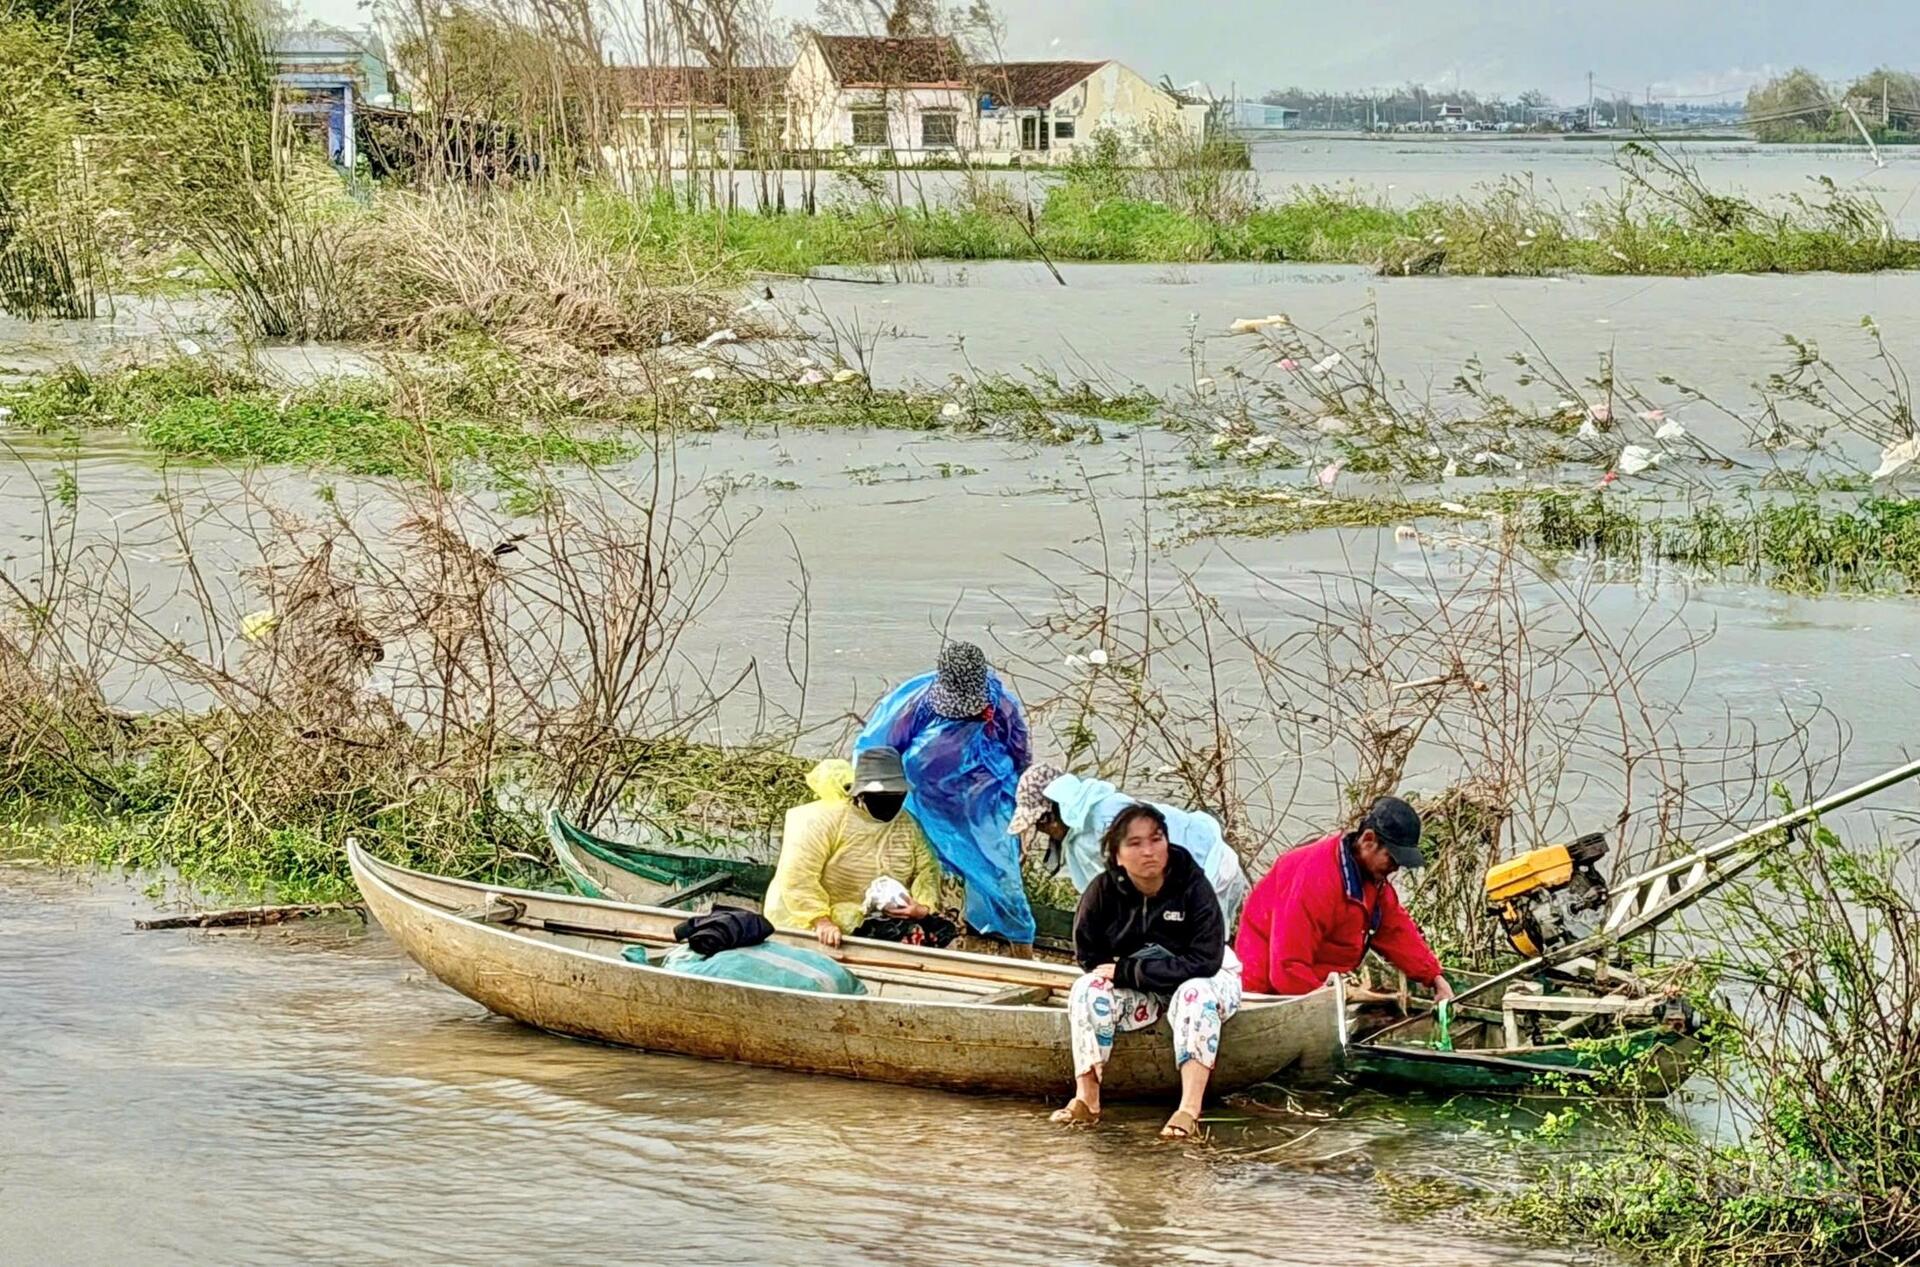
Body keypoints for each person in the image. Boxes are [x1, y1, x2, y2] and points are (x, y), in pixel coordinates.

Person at [1050, 804, 1242, 1139]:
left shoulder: (1192, 885)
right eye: (1135, 844)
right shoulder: (1103, 891)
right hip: (1143, 990)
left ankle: (1188, 1110)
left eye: (1156, 839)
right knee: (1086, 988)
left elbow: (1206, 960)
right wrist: (1130, 976)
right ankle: (1087, 1100)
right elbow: (1090, 956)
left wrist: (1132, 972)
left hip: (1208, 980)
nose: (1149, 851)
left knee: (1193, 995)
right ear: (1118, 855)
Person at [856, 641, 1034, 946]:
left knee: (1002, 878)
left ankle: (1016, 944)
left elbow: (1019, 754)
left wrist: (1023, 802)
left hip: (985, 803)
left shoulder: (1000, 706)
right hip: (930, 805)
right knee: (937, 872)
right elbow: (878, 752)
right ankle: (951, 934)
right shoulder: (915, 705)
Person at [1234, 795, 1454, 1002]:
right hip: (1267, 989)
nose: (1395, 867)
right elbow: (1287, 968)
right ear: (1368, 840)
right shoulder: (1315, 879)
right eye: (1392, 858)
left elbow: (1395, 931)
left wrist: (1434, 977)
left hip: (1324, 985)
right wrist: (1336, 999)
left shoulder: (1373, 882)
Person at [1006, 763, 1252, 931]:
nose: (1042, 830)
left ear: (1055, 811)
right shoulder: (1093, 818)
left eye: (1042, 821)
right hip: (1206, 865)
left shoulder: (1099, 827)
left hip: (1209, 870)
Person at [763, 747, 956, 949]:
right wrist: (821, 920)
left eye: (897, 794)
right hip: (825, 920)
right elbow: (799, 875)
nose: (891, 801)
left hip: (881, 918)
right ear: (861, 793)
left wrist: (921, 908)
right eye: (882, 795)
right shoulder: (826, 821)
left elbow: (927, 869)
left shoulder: (907, 825)